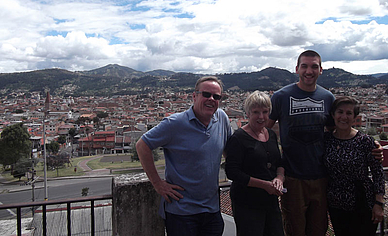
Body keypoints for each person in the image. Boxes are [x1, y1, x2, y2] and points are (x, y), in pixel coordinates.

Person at [267, 50, 383, 236]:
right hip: (293, 177)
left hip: (322, 178)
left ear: (321, 70)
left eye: (314, 66)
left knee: (319, 230)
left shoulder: (328, 98)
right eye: (304, 66)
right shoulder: (281, 97)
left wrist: (370, 144)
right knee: (294, 230)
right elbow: (265, 131)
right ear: (297, 69)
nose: (309, 70)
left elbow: (338, 131)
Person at [136, 76, 232, 236]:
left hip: (212, 210)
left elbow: (229, 152)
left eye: (216, 96)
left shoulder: (221, 118)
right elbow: (142, 145)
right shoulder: (175, 123)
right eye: (206, 94)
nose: (211, 99)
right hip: (182, 212)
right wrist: (157, 183)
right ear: (194, 96)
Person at [225, 91, 285, 236]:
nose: (261, 117)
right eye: (256, 112)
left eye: (265, 112)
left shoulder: (270, 134)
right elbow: (232, 172)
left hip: (270, 200)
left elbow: (279, 162)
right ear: (248, 113)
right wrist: (265, 185)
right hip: (247, 203)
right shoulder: (238, 138)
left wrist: (279, 178)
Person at [324, 96, 385, 236]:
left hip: (362, 202)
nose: (343, 117)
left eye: (349, 113)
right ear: (333, 115)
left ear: (355, 117)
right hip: (336, 205)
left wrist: (379, 203)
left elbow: (378, 173)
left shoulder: (365, 141)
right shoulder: (326, 140)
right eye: (340, 112)